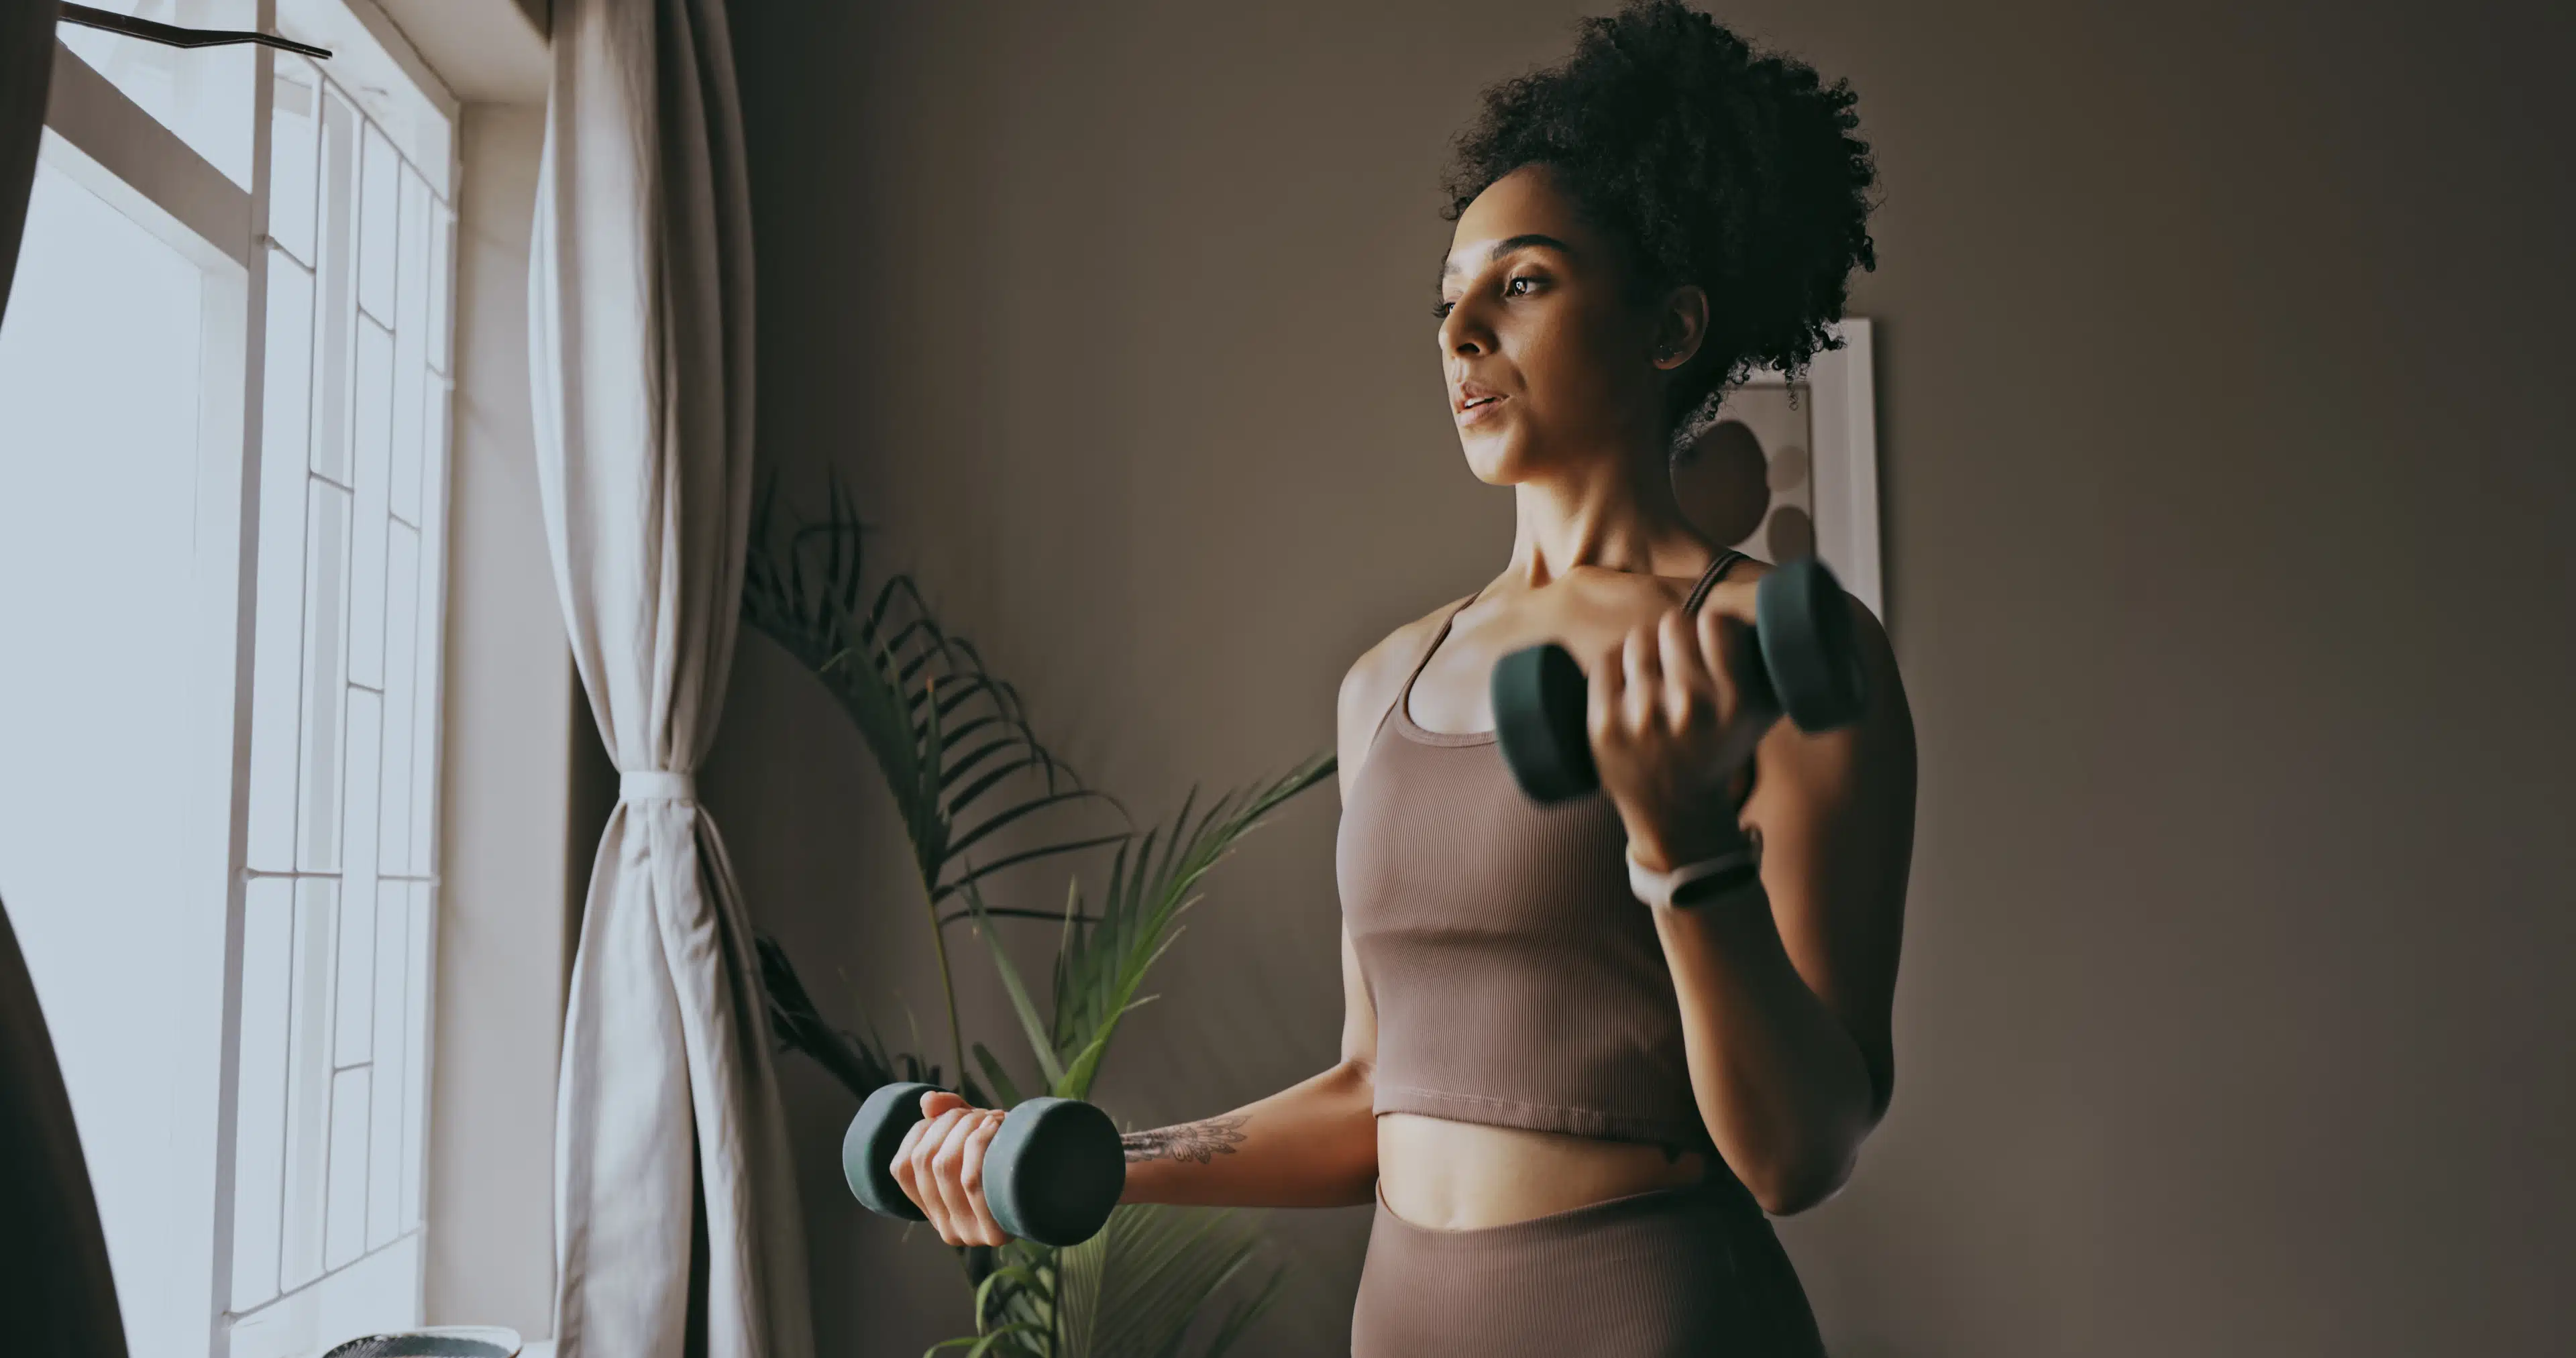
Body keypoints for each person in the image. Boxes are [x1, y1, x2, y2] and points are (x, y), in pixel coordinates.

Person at [892, 3, 1915, 1351]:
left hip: (1655, 1317)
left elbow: (1801, 1153)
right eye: (1448, 304)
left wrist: (1685, 855)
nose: (1462, 334)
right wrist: (1073, 1162)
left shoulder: (1778, 653)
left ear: (1671, 326)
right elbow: (1377, 1091)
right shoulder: (1385, 681)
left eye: (1525, 283)